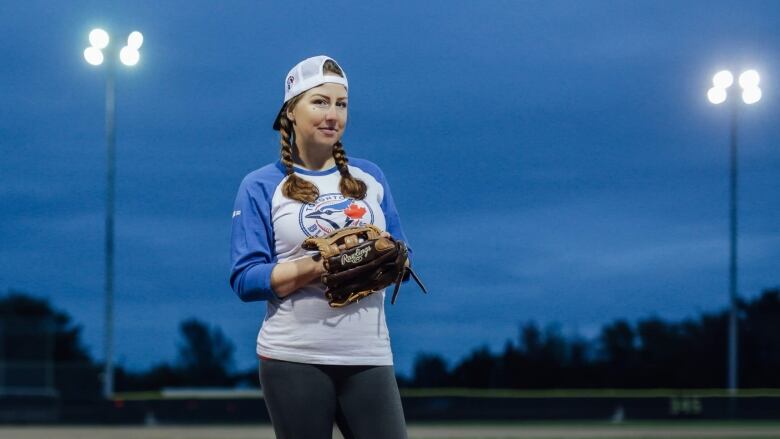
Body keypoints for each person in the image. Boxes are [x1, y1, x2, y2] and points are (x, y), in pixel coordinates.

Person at [229, 55, 411, 439]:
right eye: (320, 102)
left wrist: (394, 259)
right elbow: (246, 278)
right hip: (294, 356)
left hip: (368, 354)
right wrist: (319, 266)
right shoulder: (261, 185)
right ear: (291, 111)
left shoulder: (370, 177)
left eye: (341, 104)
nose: (333, 114)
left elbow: (400, 252)